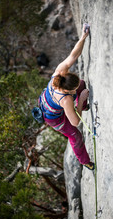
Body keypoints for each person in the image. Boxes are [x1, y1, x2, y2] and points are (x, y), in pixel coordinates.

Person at [38, 24, 94, 170]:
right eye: (73, 90)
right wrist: (80, 99)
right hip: (53, 118)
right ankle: (85, 162)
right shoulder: (66, 99)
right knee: (75, 136)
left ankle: (83, 106)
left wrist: (83, 37)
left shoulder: (60, 72)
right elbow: (75, 122)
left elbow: (73, 55)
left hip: (51, 102)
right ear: (68, 90)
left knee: (81, 84)